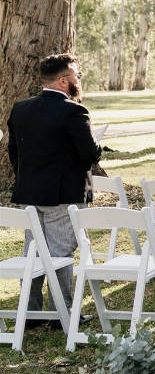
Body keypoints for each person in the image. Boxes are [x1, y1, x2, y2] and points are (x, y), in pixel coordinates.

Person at [8, 54, 101, 315]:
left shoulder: (20, 108)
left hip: (30, 192)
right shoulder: (74, 111)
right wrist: (98, 145)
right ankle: (64, 312)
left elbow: (14, 152)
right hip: (65, 194)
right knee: (61, 253)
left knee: (33, 252)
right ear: (63, 81)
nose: (78, 80)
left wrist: (28, 178)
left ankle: (32, 310)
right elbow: (89, 154)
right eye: (76, 76)